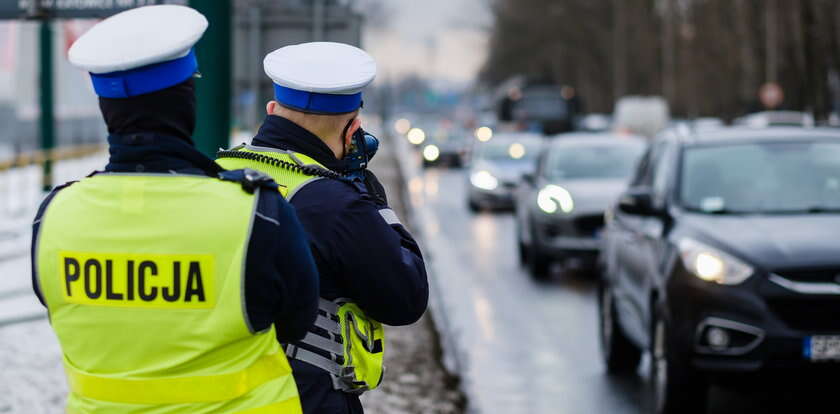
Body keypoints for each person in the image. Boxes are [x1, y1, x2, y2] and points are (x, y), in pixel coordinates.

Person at [30, 6, 319, 413]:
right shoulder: (257, 214)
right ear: (187, 99)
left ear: (106, 108)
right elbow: (297, 322)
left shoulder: (54, 215)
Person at [216, 42, 429, 414]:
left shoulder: (216, 174)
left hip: (221, 394)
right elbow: (406, 298)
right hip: (309, 399)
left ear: (272, 110)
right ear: (353, 129)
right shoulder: (336, 203)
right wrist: (374, 201)